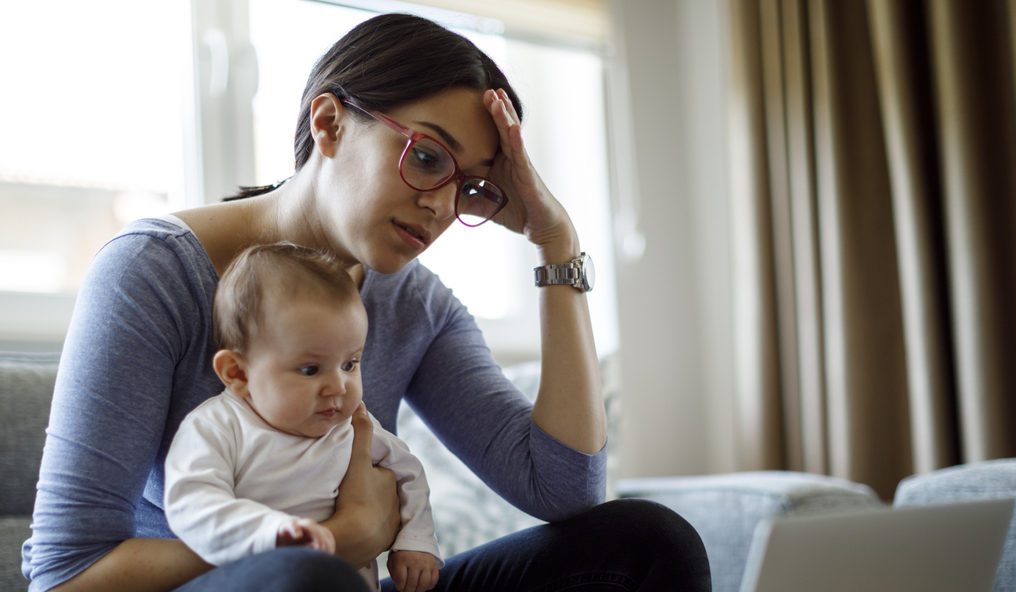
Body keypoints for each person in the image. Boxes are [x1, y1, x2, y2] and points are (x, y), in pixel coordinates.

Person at [22, 12, 711, 592]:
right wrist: (337, 536)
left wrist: (555, 242)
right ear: (328, 122)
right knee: (303, 579)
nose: (441, 207)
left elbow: (562, 489)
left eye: (470, 186)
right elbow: (64, 573)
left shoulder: (414, 304)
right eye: (429, 157)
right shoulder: (152, 273)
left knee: (645, 542)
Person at [163, 243, 442, 592]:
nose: (338, 386)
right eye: (311, 369)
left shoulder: (352, 426)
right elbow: (193, 504)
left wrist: (416, 541)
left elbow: (409, 473)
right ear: (237, 373)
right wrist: (269, 533)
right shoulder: (218, 427)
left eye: (350, 364)